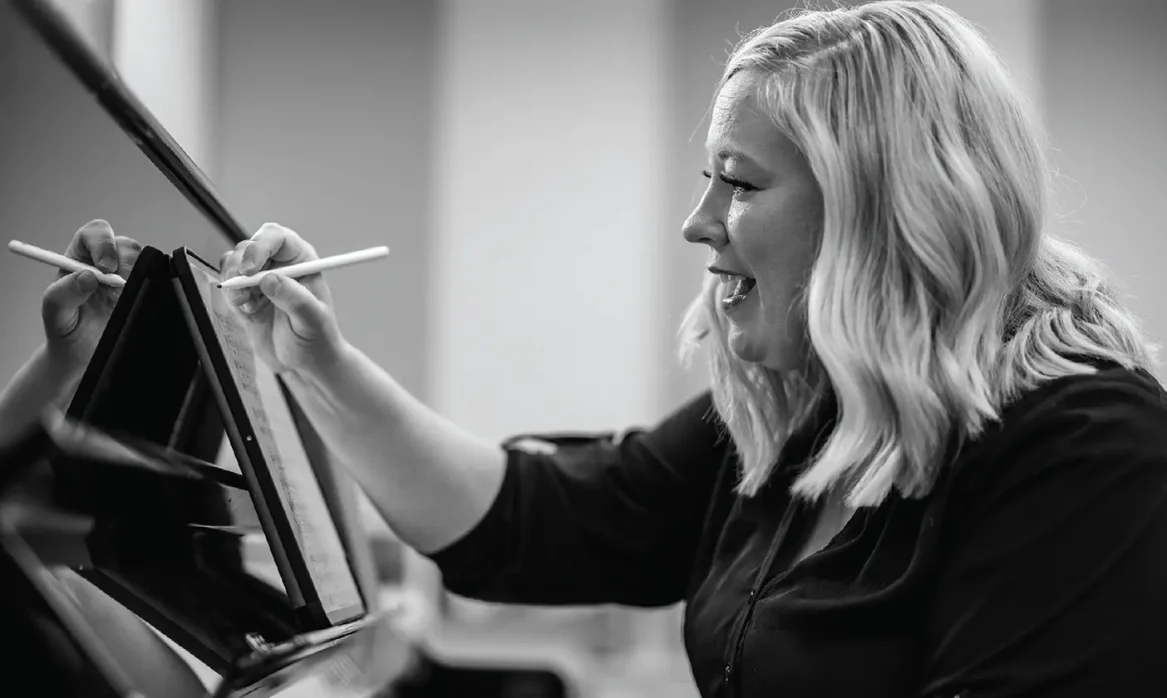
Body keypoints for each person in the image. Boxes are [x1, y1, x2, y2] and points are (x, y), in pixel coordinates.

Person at [13, 1, 1166, 695]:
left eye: (741, 183)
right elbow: (535, 520)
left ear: (878, 205)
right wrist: (313, 356)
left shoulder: (1085, 451)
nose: (698, 223)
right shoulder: (806, 411)